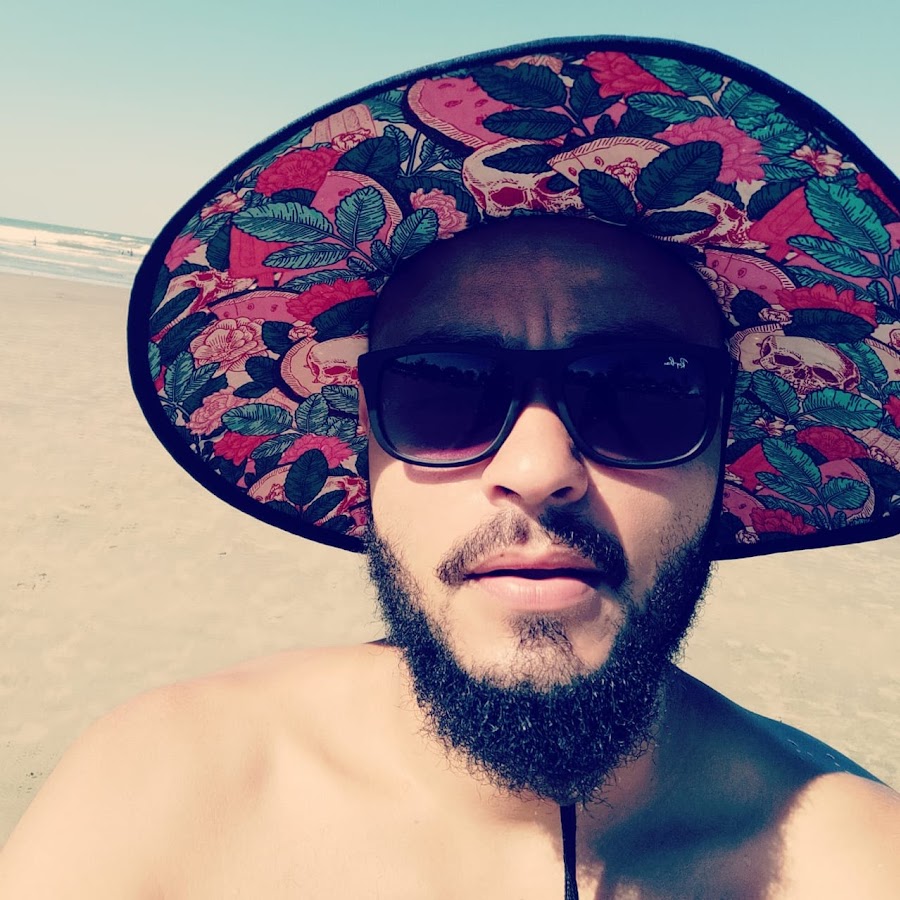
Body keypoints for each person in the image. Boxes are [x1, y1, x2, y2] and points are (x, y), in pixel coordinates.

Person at [2, 35, 899, 898]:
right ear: (364, 441)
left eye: (646, 390)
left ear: (725, 443)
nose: (538, 469)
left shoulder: (858, 860)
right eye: (439, 388)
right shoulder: (160, 793)